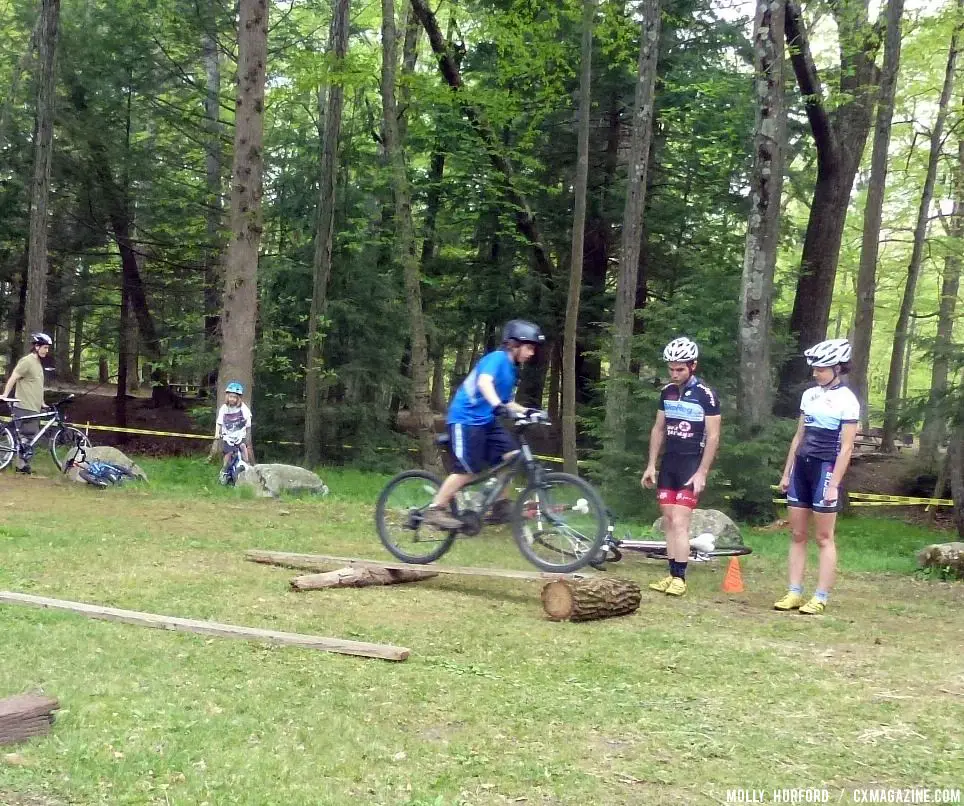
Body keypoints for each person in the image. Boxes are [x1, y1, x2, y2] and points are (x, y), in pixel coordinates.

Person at [422, 320, 545, 530]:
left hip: (486, 421)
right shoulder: (496, 359)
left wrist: (528, 411)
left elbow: (506, 401)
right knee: (468, 470)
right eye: (529, 347)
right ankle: (435, 510)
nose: (532, 353)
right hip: (465, 420)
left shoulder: (511, 370)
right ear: (514, 344)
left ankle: (500, 506)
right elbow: (484, 383)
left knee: (511, 458)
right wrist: (497, 405)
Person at [775, 338, 859, 615]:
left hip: (826, 468)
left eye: (821, 369)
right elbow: (799, 435)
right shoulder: (809, 395)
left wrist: (834, 484)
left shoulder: (848, 400)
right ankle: (794, 592)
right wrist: (787, 472)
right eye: (814, 369)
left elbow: (847, 447)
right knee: (797, 533)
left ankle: (820, 595)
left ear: (837, 368)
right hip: (802, 467)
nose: (815, 373)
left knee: (823, 537)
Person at [641, 337, 721, 597]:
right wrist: (651, 464)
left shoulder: (705, 395)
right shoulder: (667, 392)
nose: (675, 374)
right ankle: (671, 572)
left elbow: (714, 436)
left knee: (680, 522)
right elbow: (659, 428)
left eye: (680, 369)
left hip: (691, 463)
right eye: (671, 369)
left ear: (693, 366)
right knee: (668, 520)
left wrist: (703, 472)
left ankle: (681, 577)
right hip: (670, 463)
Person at [1, 332, 53, 474]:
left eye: (48, 348)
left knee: (28, 437)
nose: (46, 351)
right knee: (27, 435)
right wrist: (5, 394)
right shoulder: (27, 361)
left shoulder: (38, 364)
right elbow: (14, 377)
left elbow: (37, 385)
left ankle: (21, 465)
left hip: (34, 407)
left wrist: (42, 402)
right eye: (44, 347)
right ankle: (18, 465)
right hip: (24, 405)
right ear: (36, 346)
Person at [215, 381, 254, 483]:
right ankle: (224, 471)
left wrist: (246, 428)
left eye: (234, 397)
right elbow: (219, 422)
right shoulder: (224, 408)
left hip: (239, 435)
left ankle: (247, 463)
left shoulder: (242, 408)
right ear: (227, 396)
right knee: (228, 453)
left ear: (238, 398)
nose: (232, 399)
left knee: (243, 446)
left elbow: (248, 420)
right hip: (228, 436)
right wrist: (217, 433)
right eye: (230, 396)